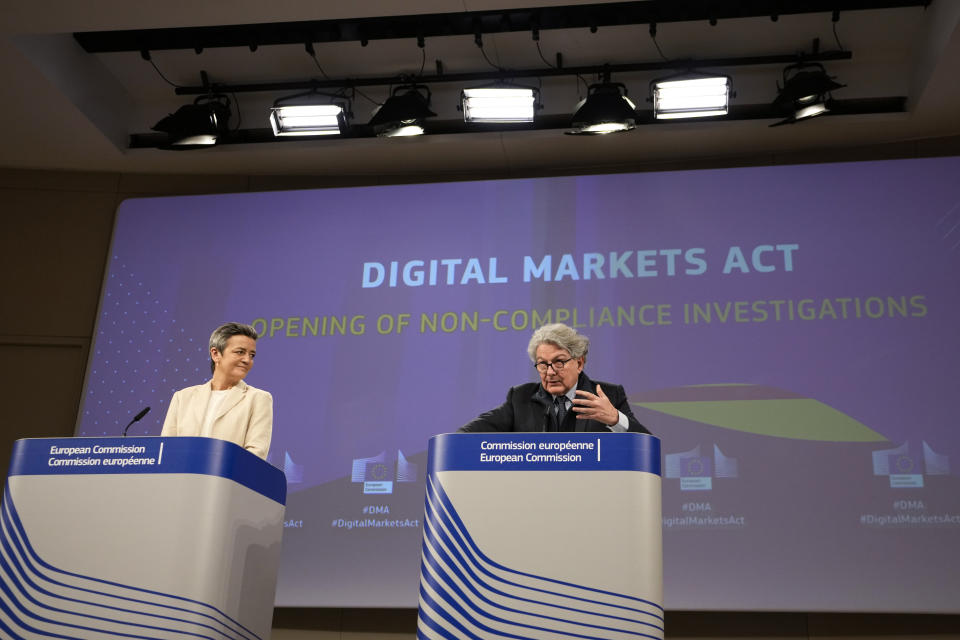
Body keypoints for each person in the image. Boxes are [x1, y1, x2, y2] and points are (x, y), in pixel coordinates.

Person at [460, 323, 649, 433]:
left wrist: (616, 419)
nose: (550, 372)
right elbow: (468, 433)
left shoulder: (609, 395)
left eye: (559, 362)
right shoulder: (520, 398)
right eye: (542, 364)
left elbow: (646, 444)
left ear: (580, 363)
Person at [161, 322, 272, 459]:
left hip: (228, 478)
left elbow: (256, 454)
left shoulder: (258, 398)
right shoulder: (183, 397)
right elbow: (165, 449)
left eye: (252, 355)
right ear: (215, 354)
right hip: (181, 477)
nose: (247, 360)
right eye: (240, 352)